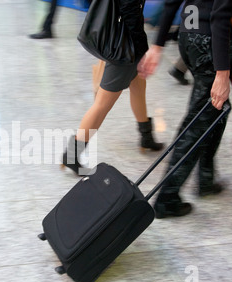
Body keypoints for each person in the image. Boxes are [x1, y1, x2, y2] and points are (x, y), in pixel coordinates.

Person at [138, 0, 232, 219]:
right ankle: (167, 198)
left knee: (216, 109)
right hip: (210, 41)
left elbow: (171, 3)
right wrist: (222, 74)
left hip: (189, 37)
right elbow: (220, 15)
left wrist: (157, 46)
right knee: (198, 120)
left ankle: (206, 178)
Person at [62, 0, 164, 176]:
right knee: (102, 104)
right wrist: (142, 48)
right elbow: (129, 9)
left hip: (126, 41)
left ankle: (146, 136)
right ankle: (72, 156)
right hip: (125, 47)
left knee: (138, 87)